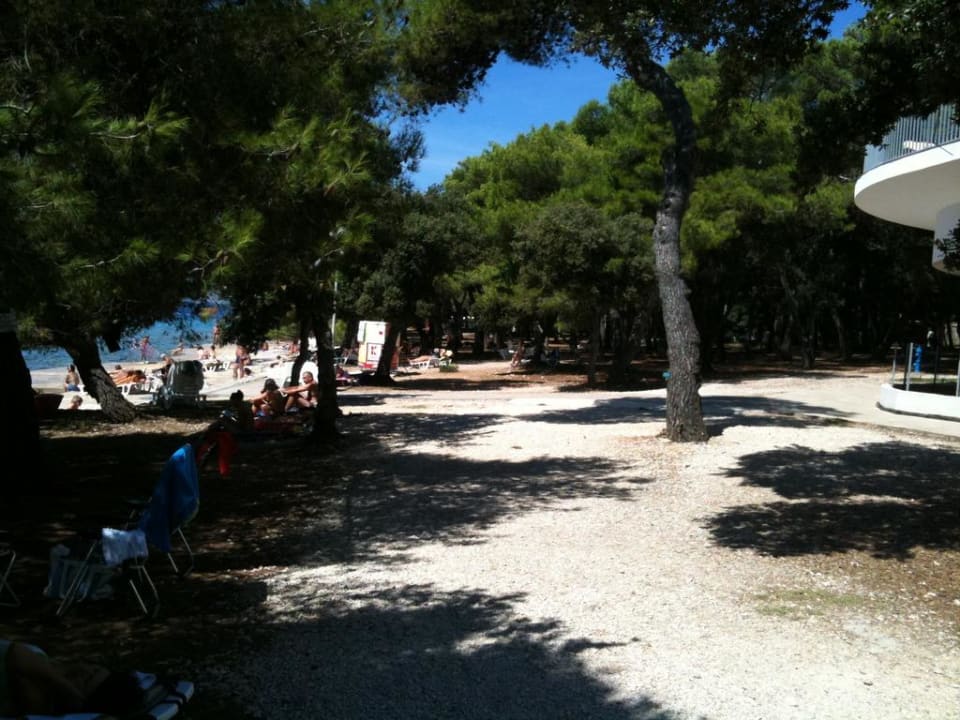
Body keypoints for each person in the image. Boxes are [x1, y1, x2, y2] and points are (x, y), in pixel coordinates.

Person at [0, 638, 143, 716]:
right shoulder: (37, 657)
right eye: (94, 668)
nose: (84, 669)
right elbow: (14, 653)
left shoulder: (34, 708)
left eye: (87, 680)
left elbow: (15, 655)